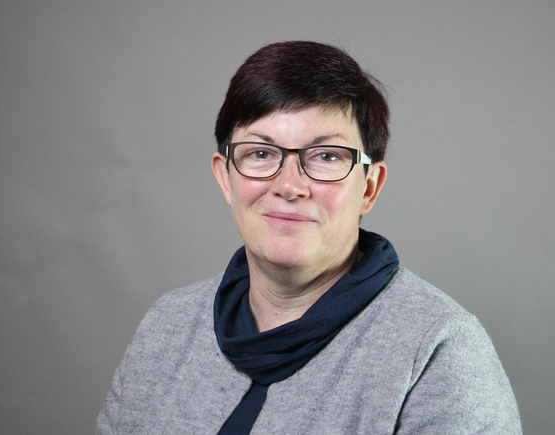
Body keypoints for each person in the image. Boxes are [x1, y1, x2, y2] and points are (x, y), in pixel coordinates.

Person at [96, 41, 522, 434]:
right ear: (225, 178)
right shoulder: (167, 325)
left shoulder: (438, 349)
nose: (289, 185)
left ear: (369, 187)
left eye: (326, 156)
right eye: (260, 153)